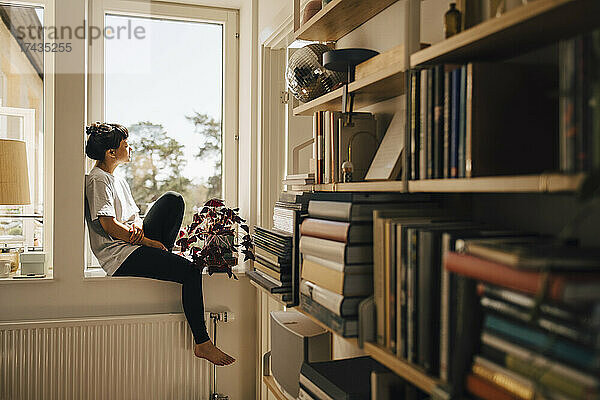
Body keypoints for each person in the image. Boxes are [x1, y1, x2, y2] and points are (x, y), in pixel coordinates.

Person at [84, 122, 234, 366]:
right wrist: (147, 242)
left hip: (133, 245)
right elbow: (109, 225)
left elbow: (133, 219)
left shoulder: (117, 179)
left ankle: (166, 252)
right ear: (111, 152)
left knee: (173, 200)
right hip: (119, 256)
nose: (130, 148)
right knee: (190, 271)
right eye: (124, 145)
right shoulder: (98, 180)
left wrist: (141, 232)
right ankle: (203, 344)